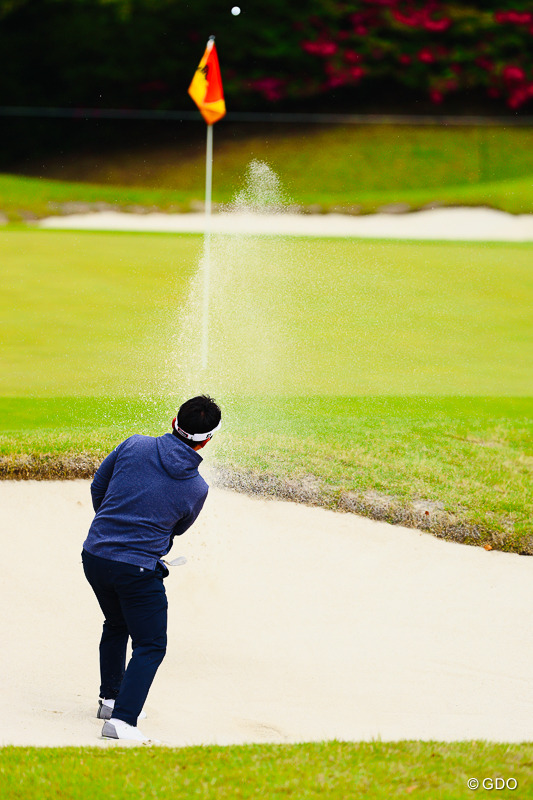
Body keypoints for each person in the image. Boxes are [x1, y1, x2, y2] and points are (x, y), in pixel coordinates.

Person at [81, 394, 221, 742]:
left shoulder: (134, 445)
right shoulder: (197, 487)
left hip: (95, 555)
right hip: (138, 571)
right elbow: (178, 527)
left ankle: (111, 700)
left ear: (175, 423)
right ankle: (123, 721)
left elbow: (99, 487)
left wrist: (113, 528)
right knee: (152, 644)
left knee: (117, 623)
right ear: (207, 440)